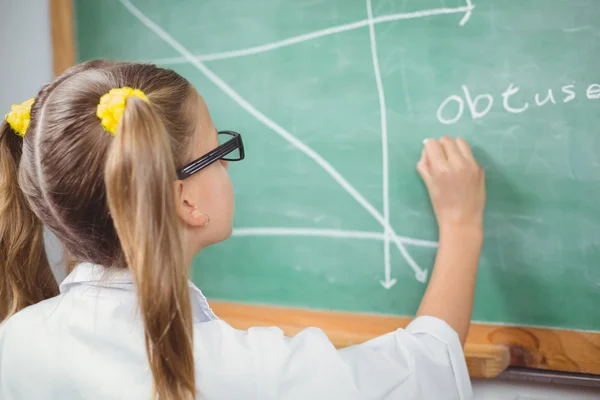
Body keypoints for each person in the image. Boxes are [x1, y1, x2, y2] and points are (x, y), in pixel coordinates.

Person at [0, 60, 485, 400]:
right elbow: (426, 367)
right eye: (218, 152)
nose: (228, 166)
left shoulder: (13, 343)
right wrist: (462, 225)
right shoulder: (250, 373)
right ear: (186, 200)